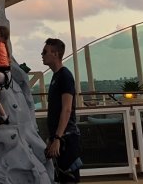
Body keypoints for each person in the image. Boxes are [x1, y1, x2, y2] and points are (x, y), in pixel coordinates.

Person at [41, 38, 83, 183]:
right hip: (59, 138)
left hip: (67, 138)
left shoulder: (65, 76)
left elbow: (66, 109)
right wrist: (52, 138)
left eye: (45, 51)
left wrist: (58, 138)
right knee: (61, 178)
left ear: (56, 54)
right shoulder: (56, 77)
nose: (42, 54)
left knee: (69, 178)